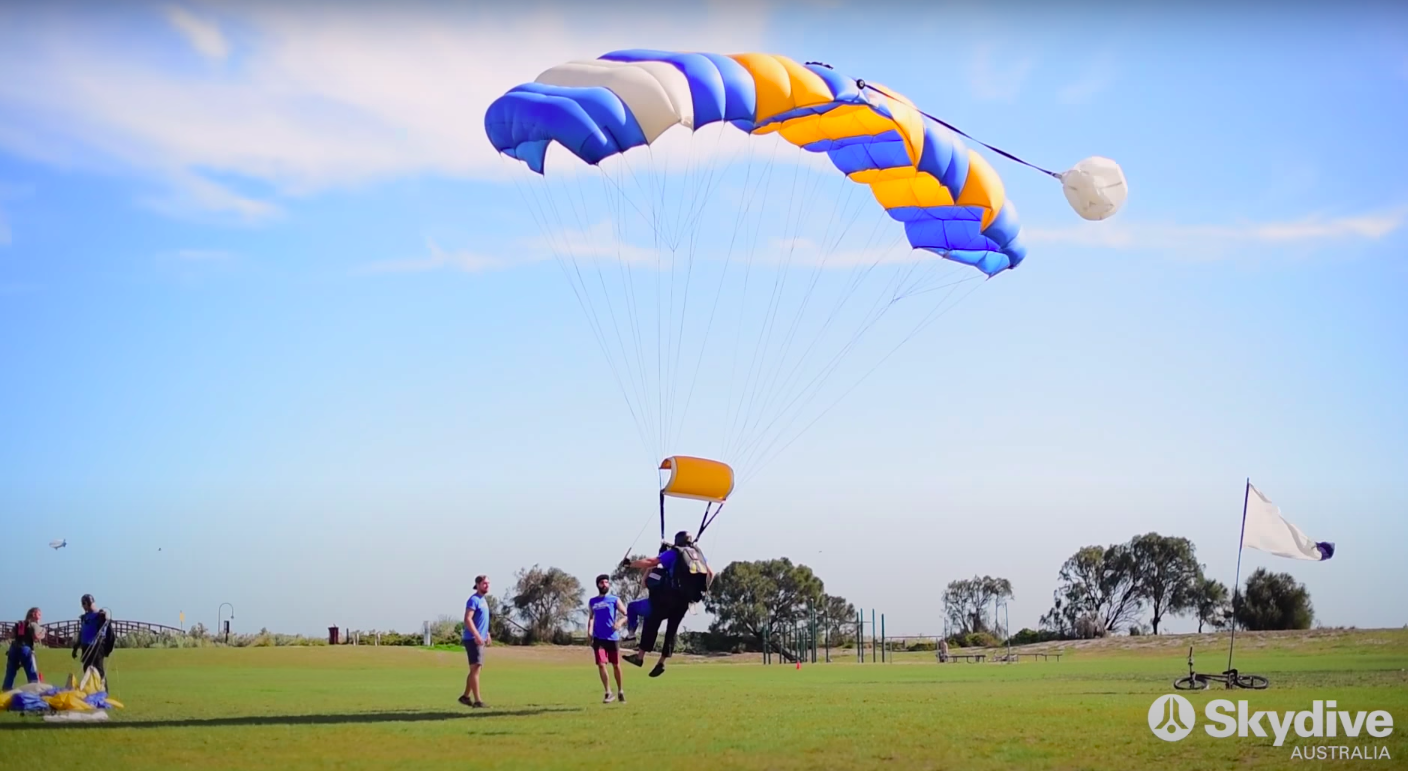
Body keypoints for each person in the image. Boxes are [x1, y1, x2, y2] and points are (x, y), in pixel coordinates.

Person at [622, 531, 713, 678]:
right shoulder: (698, 554)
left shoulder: (674, 553)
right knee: (672, 630)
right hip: (684, 601)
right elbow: (711, 573)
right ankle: (661, 662)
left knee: (651, 621)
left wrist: (631, 564)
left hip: (667, 598)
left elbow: (652, 562)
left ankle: (639, 657)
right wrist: (702, 592)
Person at [586, 573, 628, 703]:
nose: (604, 584)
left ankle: (620, 690)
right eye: (602, 583)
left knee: (616, 665)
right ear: (598, 585)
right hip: (599, 639)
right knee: (601, 664)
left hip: (612, 638)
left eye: (606, 582)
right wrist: (589, 631)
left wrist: (619, 623)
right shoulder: (593, 601)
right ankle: (608, 692)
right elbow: (591, 617)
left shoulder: (614, 599)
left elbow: (627, 614)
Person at [459, 575, 491, 708]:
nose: (487, 585)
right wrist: (477, 635)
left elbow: (482, 621)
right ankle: (478, 701)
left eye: (488, 583)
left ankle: (465, 697)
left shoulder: (483, 600)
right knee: (475, 669)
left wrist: (487, 633)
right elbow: (468, 619)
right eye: (484, 583)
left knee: (475, 669)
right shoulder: (473, 600)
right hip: (472, 639)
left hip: (479, 639)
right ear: (477, 584)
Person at [71, 594, 111, 683]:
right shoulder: (85, 617)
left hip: (96, 647)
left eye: (84, 603)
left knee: (98, 671)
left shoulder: (99, 615)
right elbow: (82, 632)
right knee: (87, 671)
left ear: (89, 603)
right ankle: (90, 691)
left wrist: (104, 616)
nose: (83, 606)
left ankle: (103, 691)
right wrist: (76, 647)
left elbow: (106, 620)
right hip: (85, 647)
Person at [4, 607, 43, 691]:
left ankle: (5, 692)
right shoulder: (33, 624)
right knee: (32, 673)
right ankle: (35, 692)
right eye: (39, 614)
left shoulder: (20, 624)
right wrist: (43, 632)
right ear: (34, 614)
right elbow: (36, 637)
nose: (40, 617)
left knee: (10, 673)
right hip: (26, 649)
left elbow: (11, 635)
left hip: (13, 649)